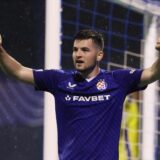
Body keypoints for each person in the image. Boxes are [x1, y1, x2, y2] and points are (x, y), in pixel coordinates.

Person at [0, 30, 160, 160]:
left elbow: (153, 72)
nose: (78, 54)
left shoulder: (117, 80)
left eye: (85, 50)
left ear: (99, 55)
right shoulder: (58, 80)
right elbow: (19, 71)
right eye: (75, 49)